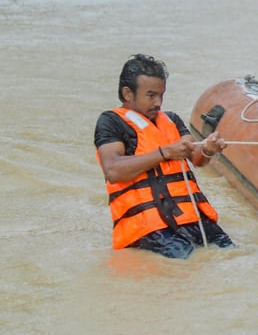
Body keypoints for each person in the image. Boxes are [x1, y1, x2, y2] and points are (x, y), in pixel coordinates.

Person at [94, 54, 234, 259]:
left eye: (161, 95)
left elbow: (196, 158)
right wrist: (165, 152)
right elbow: (113, 170)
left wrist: (208, 149)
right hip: (150, 228)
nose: (158, 102)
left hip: (195, 219)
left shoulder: (172, 119)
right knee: (186, 266)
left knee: (233, 254)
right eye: (151, 95)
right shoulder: (111, 122)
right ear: (127, 94)